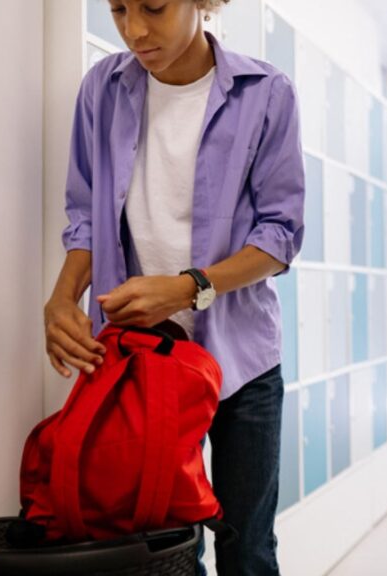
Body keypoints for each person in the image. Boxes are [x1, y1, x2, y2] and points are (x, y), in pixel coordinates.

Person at [42, 1, 305, 574]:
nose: (135, 29)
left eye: (154, 7)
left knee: (248, 547)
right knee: (161, 553)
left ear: (202, 3)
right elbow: (85, 214)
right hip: (141, 363)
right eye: (118, 9)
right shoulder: (102, 89)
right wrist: (63, 298)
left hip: (243, 362)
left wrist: (188, 289)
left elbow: (280, 235)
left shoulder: (267, 92)